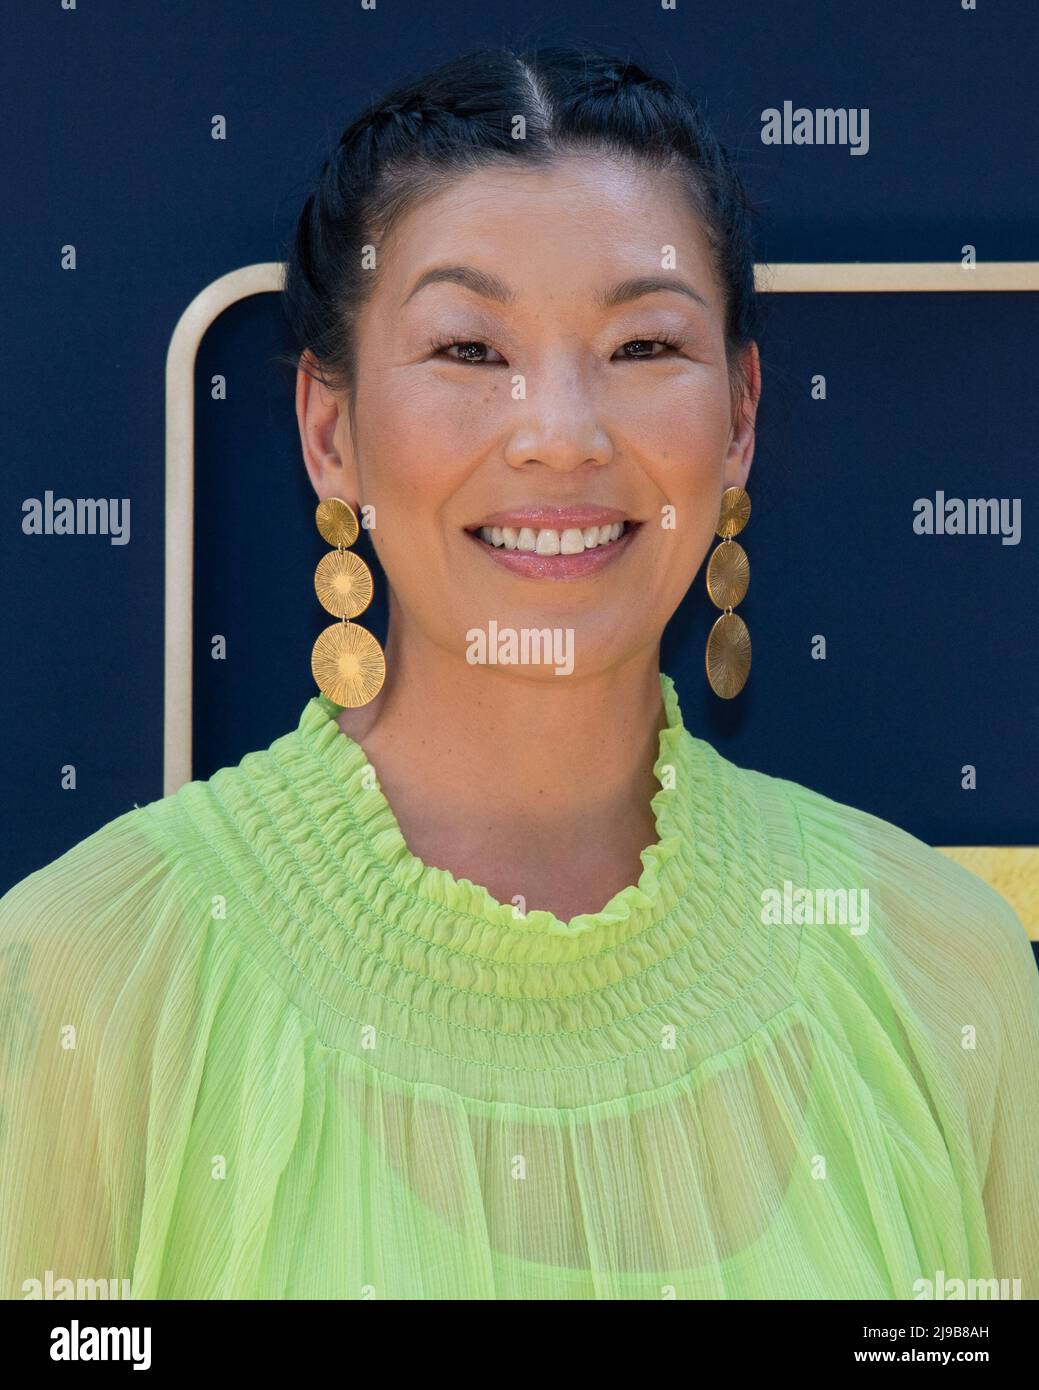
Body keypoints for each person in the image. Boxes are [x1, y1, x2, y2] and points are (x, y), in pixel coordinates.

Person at [1, 43, 1037, 1301]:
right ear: (329, 432)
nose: (560, 434)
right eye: (469, 350)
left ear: (742, 418)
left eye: (644, 346)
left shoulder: (942, 968)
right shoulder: (89, 979)